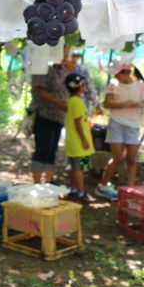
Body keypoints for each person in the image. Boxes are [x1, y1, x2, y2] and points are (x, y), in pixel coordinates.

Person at [95, 64, 144, 200]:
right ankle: (103, 185)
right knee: (117, 157)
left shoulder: (140, 86)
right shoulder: (113, 85)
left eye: (117, 74)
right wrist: (125, 104)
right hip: (116, 123)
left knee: (131, 159)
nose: (115, 77)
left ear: (125, 73)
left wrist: (140, 104)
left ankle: (131, 190)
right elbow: (107, 104)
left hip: (133, 125)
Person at [29, 48, 79, 183]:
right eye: (63, 52)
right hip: (45, 115)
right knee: (42, 150)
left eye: (67, 53)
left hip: (59, 117)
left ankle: (49, 180)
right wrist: (57, 102)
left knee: (52, 151)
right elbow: (38, 89)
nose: (65, 56)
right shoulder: (43, 67)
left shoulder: (63, 69)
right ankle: (37, 182)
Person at [63, 73, 95, 205]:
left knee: (74, 167)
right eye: (84, 84)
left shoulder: (71, 101)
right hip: (79, 144)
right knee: (79, 168)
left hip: (72, 142)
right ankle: (81, 193)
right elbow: (77, 123)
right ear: (80, 86)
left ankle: (74, 190)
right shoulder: (77, 102)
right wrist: (84, 139)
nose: (86, 86)